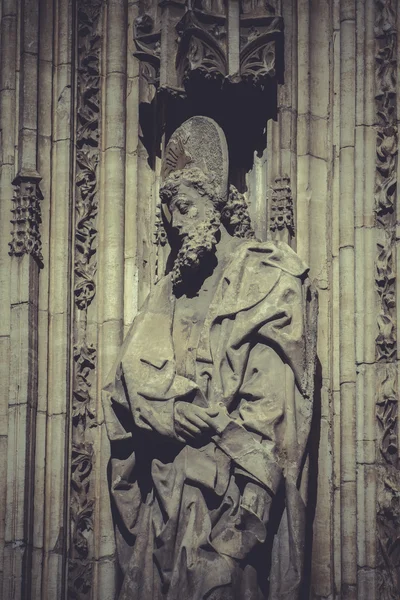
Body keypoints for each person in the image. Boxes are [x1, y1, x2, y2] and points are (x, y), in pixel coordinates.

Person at [102, 119, 317, 600]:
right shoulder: (168, 293)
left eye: (184, 207)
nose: (176, 223)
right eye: (169, 212)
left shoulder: (266, 275)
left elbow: (275, 416)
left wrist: (239, 527)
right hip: (168, 505)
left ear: (216, 204)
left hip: (232, 508)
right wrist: (172, 413)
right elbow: (126, 384)